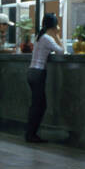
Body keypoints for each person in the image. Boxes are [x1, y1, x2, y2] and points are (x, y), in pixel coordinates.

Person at [25, 13, 64, 143]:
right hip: (38, 73)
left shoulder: (39, 36)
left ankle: (31, 133)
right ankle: (31, 134)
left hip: (32, 72)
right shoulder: (47, 38)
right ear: (54, 26)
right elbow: (61, 51)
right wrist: (57, 36)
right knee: (39, 105)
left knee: (37, 104)